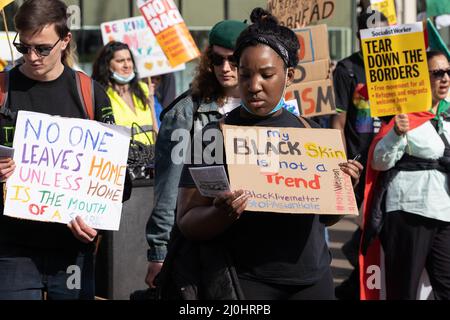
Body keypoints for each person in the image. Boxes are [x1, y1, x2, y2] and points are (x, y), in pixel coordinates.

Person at [173, 8, 363, 300]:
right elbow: (186, 221)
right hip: (245, 282)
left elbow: (327, 217)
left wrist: (345, 187)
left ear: (289, 76)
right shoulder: (213, 136)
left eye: (266, 74)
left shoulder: (313, 134)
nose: (253, 85)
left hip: (313, 281)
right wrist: (221, 214)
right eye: (245, 74)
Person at [0, 0, 115, 300]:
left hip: (72, 250)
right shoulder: (2, 89)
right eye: (23, 47)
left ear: (65, 41)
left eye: (42, 48)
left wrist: (96, 221)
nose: (32, 56)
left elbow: (117, 179)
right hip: (12, 249)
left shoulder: (91, 94)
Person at [144, 19, 247, 289]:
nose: (225, 68)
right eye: (217, 59)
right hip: (201, 239)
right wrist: (159, 253)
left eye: (234, 60)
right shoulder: (185, 111)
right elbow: (168, 188)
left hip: (252, 246)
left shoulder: (263, 106)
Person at [362, 50, 450, 300]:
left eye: (448, 72)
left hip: (444, 213)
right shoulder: (404, 118)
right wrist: (397, 135)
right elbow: (379, 162)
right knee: (404, 289)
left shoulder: (446, 117)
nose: (444, 79)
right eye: (437, 73)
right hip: (408, 212)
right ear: (422, 78)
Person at [331, 10, 388, 300]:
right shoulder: (346, 69)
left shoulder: (396, 67)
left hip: (388, 161)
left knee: (378, 225)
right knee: (367, 225)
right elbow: (338, 121)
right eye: (370, 37)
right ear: (359, 37)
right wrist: (340, 162)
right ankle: (358, 281)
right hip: (357, 162)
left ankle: (359, 280)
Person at [92, 41, 156, 146]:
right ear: (107, 65)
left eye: (129, 60)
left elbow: (154, 129)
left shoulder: (144, 88)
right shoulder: (101, 94)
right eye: (120, 61)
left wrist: (152, 106)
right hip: (122, 160)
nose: (127, 65)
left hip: (150, 158)